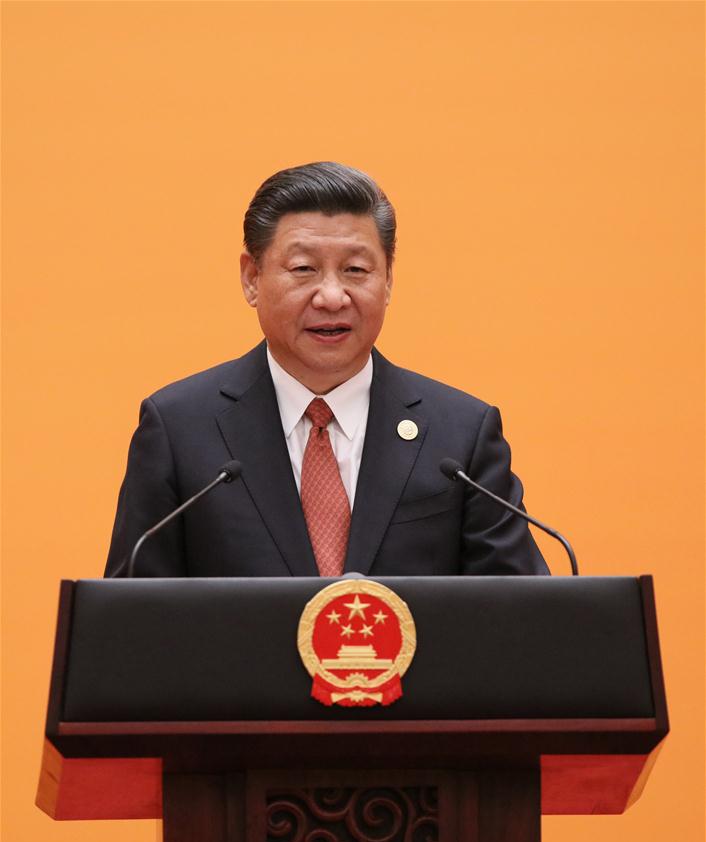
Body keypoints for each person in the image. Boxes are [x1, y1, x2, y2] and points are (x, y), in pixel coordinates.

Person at [105, 162, 548, 578]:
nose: (332, 297)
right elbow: (127, 627)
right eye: (303, 269)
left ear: (388, 279)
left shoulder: (460, 436)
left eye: (356, 270)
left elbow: (525, 617)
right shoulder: (179, 429)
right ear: (251, 278)